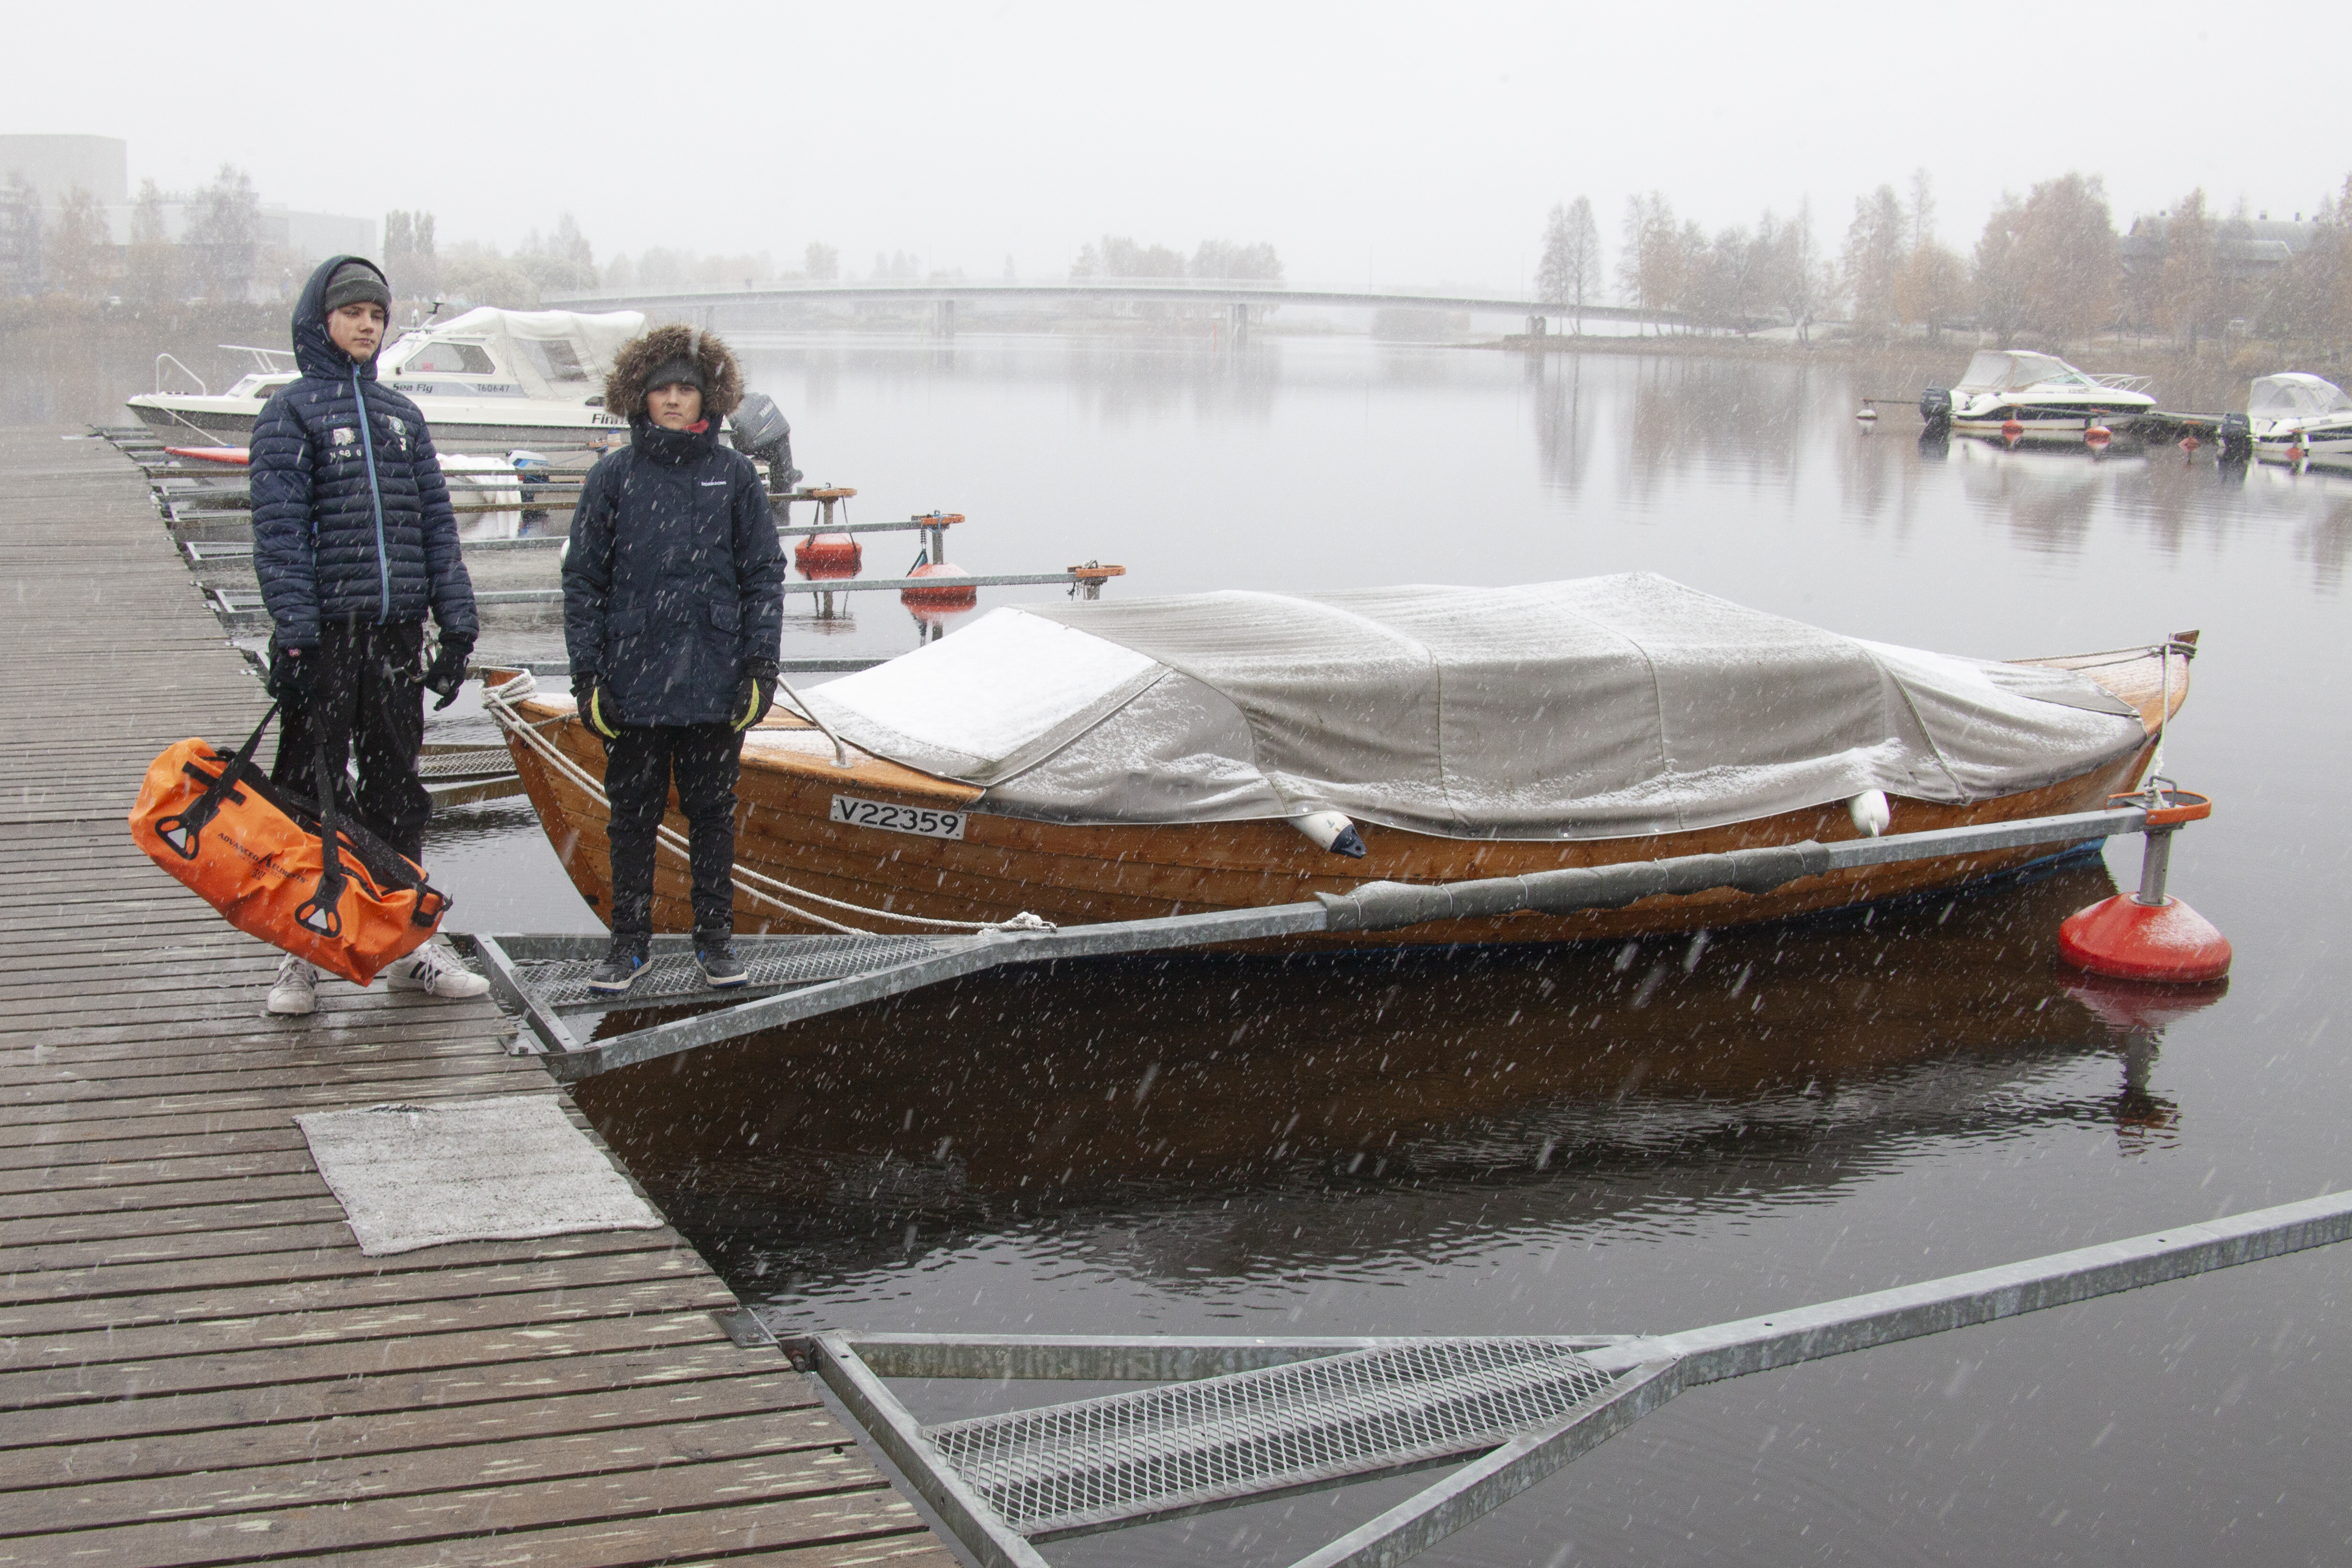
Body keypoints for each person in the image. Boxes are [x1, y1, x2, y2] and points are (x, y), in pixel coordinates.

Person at [249, 254, 489, 1016]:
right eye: (353, 312)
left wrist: (456, 627)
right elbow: (280, 536)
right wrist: (293, 637)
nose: (366, 325)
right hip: (323, 638)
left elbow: (435, 530)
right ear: (322, 321)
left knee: (397, 791)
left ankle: (405, 942)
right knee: (306, 792)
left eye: (378, 315)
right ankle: (300, 953)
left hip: (393, 637)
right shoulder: (289, 414)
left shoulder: (401, 418)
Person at [562, 325, 784, 994]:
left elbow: (763, 576)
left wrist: (759, 668)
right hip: (632, 682)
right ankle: (629, 946)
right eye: (662, 389)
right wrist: (588, 675)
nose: (675, 400)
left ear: (707, 397)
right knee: (631, 817)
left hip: (716, 682)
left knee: (714, 814)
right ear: (641, 396)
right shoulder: (614, 477)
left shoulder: (736, 475)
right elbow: (584, 582)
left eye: (687, 389)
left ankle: (714, 943)